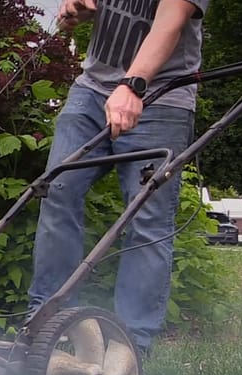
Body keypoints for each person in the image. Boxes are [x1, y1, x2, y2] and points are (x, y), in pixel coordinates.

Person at [26, 0, 210, 356]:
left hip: (161, 98)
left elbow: (168, 24)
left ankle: (130, 346)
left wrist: (133, 86)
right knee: (57, 191)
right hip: (91, 91)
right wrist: (77, 9)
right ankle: (48, 324)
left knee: (147, 219)